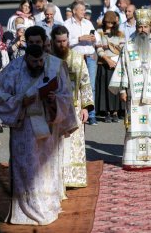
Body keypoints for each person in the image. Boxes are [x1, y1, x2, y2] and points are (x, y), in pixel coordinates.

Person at [0, 27, 77, 225]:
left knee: (46, 167)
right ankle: (28, 210)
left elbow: (67, 96)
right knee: (28, 169)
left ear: (44, 42)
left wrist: (53, 99)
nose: (34, 47)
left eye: (38, 43)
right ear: (26, 43)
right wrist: (21, 101)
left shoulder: (56, 66)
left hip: (49, 125)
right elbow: (1, 97)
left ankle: (49, 204)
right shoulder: (13, 68)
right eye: (30, 43)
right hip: (24, 129)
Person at [109, 8, 151, 170]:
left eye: (145, 27)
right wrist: (123, 89)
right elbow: (123, 68)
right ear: (136, 27)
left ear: (149, 26)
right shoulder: (129, 45)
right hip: (135, 95)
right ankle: (133, 161)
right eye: (140, 27)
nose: (143, 30)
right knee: (135, 126)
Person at [51, 25, 94, 188]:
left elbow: (85, 83)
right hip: (54, 110)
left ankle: (73, 178)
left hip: (75, 109)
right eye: (59, 41)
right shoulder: (48, 59)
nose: (62, 44)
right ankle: (56, 177)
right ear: (53, 41)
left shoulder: (77, 58)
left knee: (73, 144)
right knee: (56, 144)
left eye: (64, 41)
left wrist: (85, 107)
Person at [64, 1, 100, 125]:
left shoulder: (88, 23)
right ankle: (73, 111)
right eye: (81, 10)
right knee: (74, 86)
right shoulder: (67, 24)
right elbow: (64, 42)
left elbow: (97, 38)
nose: (84, 12)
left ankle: (91, 114)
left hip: (89, 57)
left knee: (91, 86)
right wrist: (79, 39)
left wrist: (95, 38)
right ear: (74, 11)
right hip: (75, 58)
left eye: (84, 10)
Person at [95, 11, 125, 123]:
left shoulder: (119, 33)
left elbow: (123, 47)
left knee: (116, 87)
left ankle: (116, 111)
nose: (110, 24)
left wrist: (117, 60)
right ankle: (106, 112)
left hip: (116, 63)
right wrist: (107, 60)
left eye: (112, 23)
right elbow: (98, 48)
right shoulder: (99, 32)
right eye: (108, 22)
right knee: (105, 88)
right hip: (104, 63)